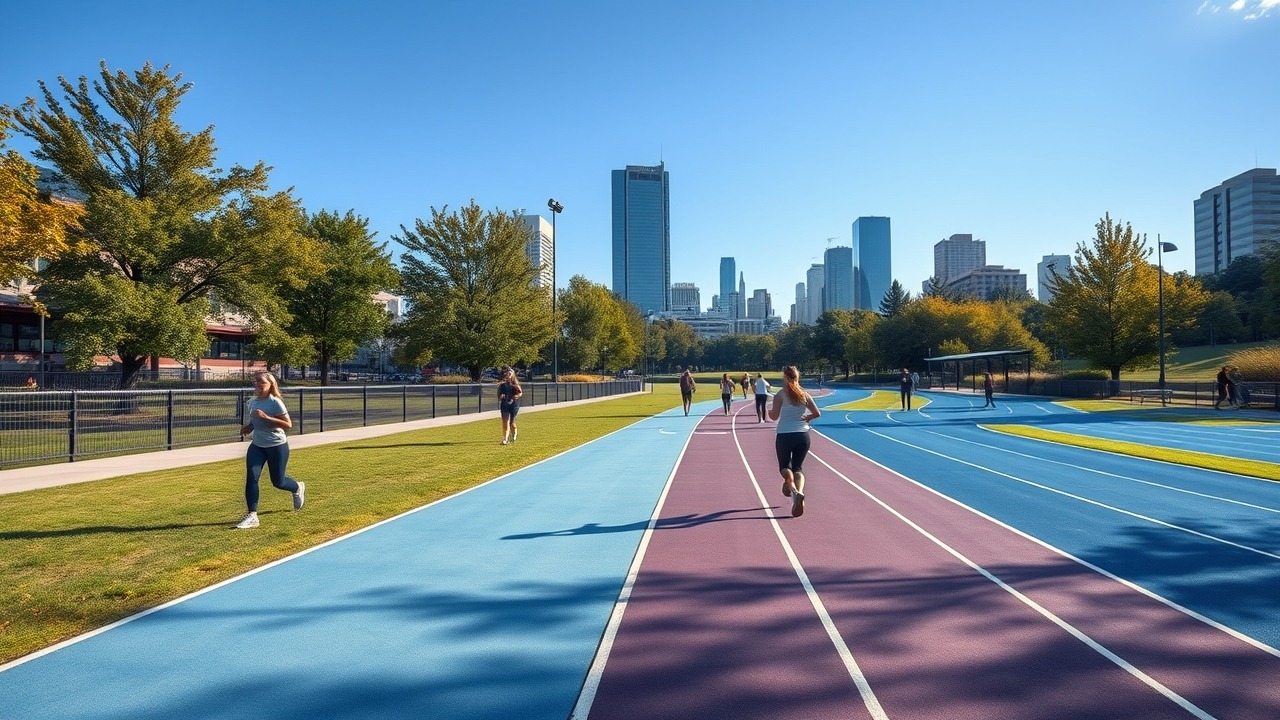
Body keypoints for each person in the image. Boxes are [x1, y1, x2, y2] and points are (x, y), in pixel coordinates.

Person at [236, 371, 304, 529]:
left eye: (261, 383)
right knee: (252, 477)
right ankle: (252, 515)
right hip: (257, 445)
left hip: (276, 445)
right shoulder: (251, 402)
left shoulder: (275, 402)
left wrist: (266, 417)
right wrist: (248, 427)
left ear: (270, 385)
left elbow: (288, 425)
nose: (258, 385)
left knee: (278, 482)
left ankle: (297, 487)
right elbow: (255, 422)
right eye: (256, 382)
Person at [769, 365, 821, 518]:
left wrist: (769, 412)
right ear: (798, 377)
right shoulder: (804, 394)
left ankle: (794, 491)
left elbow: (773, 417)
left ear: (785, 378)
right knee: (798, 467)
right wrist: (807, 418)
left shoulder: (780, 395)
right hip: (803, 435)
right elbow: (817, 413)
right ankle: (800, 493)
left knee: (784, 467)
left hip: (785, 434)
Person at [499, 367, 523, 444]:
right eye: (507, 374)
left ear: (512, 375)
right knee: (505, 422)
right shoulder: (502, 385)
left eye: (510, 374)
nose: (508, 375)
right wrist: (501, 396)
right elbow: (499, 395)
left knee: (511, 422)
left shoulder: (515, 385)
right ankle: (505, 439)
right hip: (504, 404)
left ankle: (514, 432)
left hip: (514, 405)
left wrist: (516, 396)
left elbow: (520, 393)